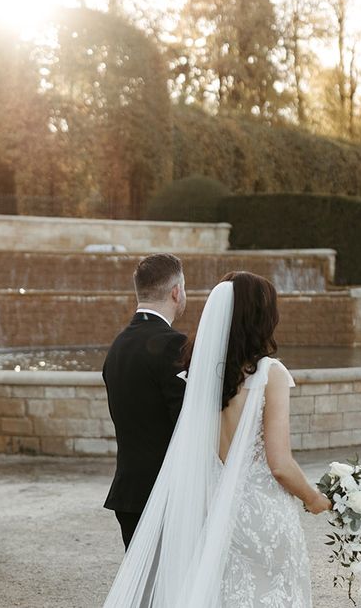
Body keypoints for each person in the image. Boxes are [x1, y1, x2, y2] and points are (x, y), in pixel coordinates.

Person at [103, 271, 330, 607]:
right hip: (261, 511)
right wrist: (315, 498)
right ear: (261, 316)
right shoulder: (271, 374)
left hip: (216, 510)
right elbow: (280, 464)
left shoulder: (203, 372)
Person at [102, 253, 188, 550]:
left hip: (129, 493)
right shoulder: (173, 344)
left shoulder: (118, 345)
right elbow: (187, 423)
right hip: (164, 496)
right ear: (176, 292)